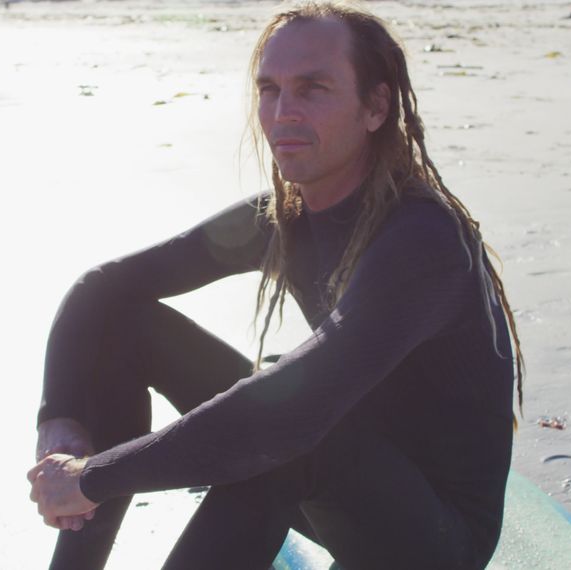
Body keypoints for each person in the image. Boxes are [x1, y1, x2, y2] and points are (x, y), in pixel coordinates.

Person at [27, 3, 525, 569]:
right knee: (127, 328)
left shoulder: (423, 241)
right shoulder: (283, 219)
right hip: (345, 483)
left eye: (313, 88)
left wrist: (95, 477)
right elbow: (102, 289)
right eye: (269, 89)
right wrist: (59, 417)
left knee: (282, 433)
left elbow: (289, 418)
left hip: (433, 540)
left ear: (376, 106)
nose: (283, 112)